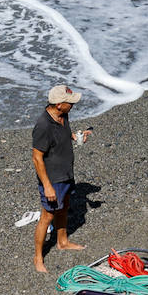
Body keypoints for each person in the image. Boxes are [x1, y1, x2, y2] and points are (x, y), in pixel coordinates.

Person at [32, 83, 91, 273]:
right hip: (53, 178)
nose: (72, 105)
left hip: (66, 173)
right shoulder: (43, 126)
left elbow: (63, 135)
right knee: (47, 216)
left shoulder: (63, 115)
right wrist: (47, 186)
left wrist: (76, 136)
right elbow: (37, 157)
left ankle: (62, 241)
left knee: (64, 207)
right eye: (69, 103)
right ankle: (38, 257)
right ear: (58, 104)